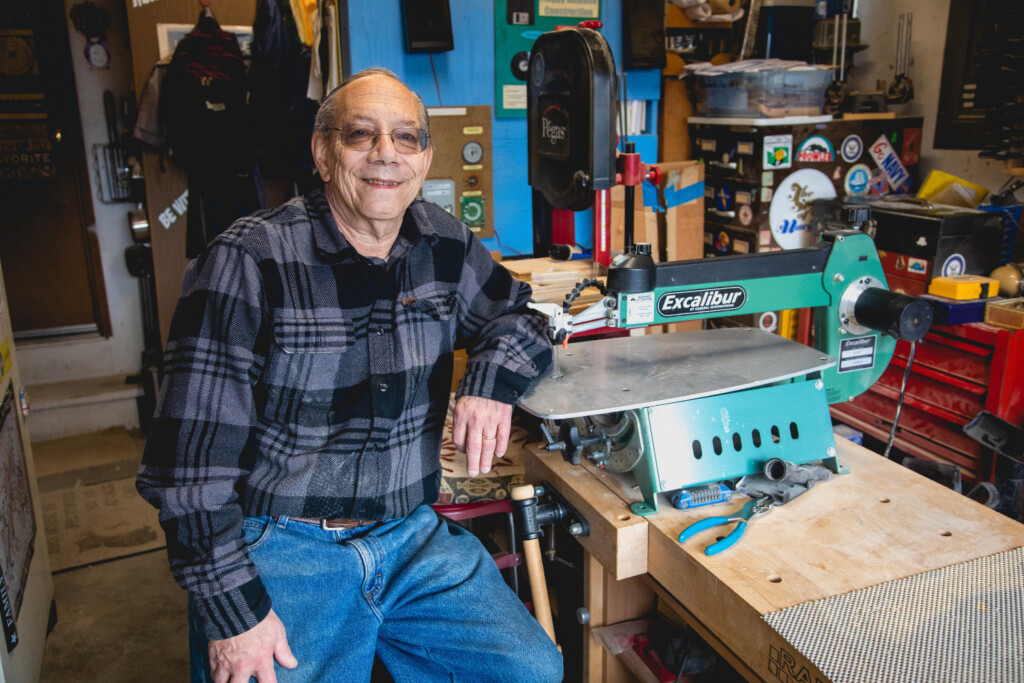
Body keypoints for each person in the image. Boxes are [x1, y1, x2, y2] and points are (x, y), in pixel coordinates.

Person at [137, 67, 561, 683]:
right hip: (282, 545)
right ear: (322, 152)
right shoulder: (248, 261)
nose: (385, 155)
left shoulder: (442, 242)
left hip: (410, 536)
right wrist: (234, 616)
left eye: (406, 138)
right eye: (362, 134)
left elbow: (521, 318)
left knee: (531, 672)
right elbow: (186, 473)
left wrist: (490, 385)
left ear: (424, 157)